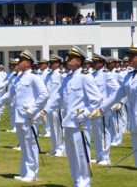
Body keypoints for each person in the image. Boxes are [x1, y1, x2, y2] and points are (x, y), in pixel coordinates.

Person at [40, 46, 101, 187]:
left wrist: (85, 114)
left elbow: (96, 99)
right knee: (72, 155)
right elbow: (58, 96)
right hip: (68, 121)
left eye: (70, 59)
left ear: (79, 61)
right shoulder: (67, 78)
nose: (67, 61)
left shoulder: (85, 77)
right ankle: (77, 180)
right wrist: (46, 110)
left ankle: (85, 182)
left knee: (81, 154)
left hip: (79, 123)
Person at [1, 50, 49, 183]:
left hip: (29, 117)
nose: (18, 63)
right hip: (19, 116)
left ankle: (32, 173)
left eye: (21, 61)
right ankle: (24, 173)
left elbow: (44, 94)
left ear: (27, 63)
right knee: (24, 145)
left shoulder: (34, 77)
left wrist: (33, 109)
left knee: (31, 145)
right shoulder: (18, 78)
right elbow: (9, 95)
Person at [91, 44, 137, 167]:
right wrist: (102, 108)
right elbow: (117, 94)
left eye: (133, 55)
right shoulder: (130, 76)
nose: (130, 58)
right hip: (134, 120)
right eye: (129, 55)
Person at [90, 54, 119, 165]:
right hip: (94, 109)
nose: (93, 64)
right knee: (97, 134)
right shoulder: (92, 75)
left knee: (104, 133)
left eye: (96, 62)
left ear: (101, 63)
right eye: (93, 62)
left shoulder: (107, 75)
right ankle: (99, 156)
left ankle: (106, 158)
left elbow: (116, 90)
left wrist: (107, 103)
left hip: (103, 109)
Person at [44, 55, 65, 157]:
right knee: (52, 128)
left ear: (58, 64)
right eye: (50, 63)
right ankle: (55, 148)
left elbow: (64, 91)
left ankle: (61, 149)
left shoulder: (61, 75)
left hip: (57, 106)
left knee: (59, 128)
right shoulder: (48, 76)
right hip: (48, 105)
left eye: (53, 63)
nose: (51, 65)